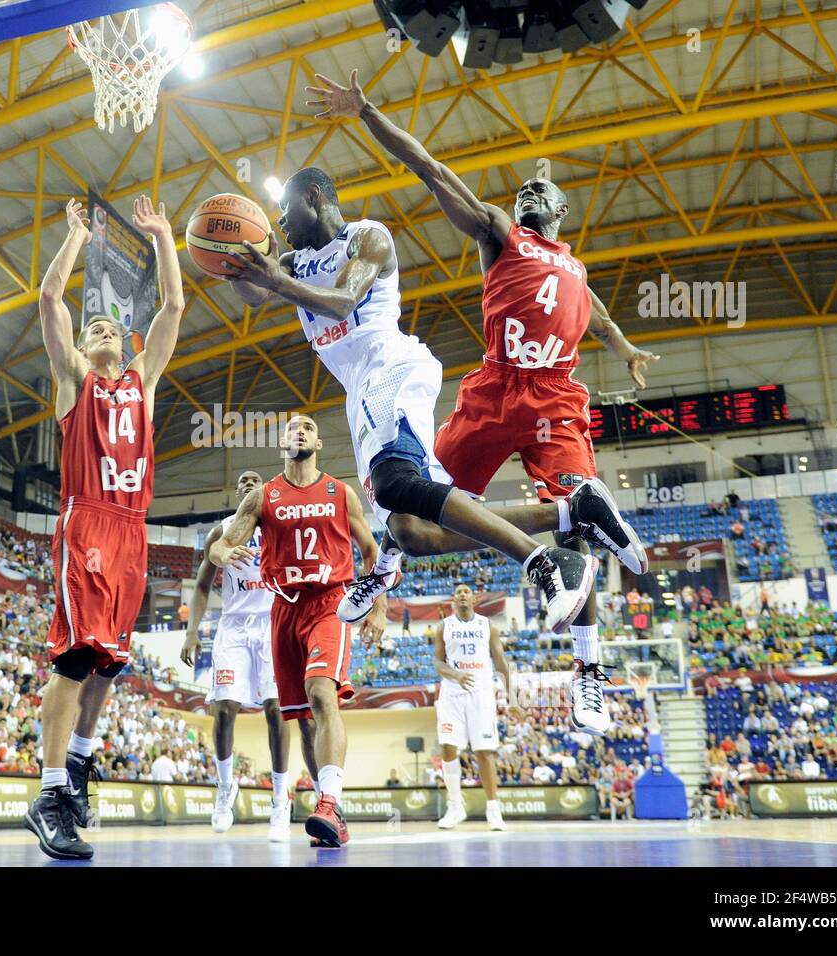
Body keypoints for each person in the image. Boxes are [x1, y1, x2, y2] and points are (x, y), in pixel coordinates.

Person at [221, 164, 644, 735]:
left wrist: (620, 343)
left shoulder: (367, 237)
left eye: (283, 210)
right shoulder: (294, 262)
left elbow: (343, 301)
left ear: (314, 197)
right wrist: (232, 258)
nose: (278, 222)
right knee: (415, 530)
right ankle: (404, 561)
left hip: (398, 371)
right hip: (427, 391)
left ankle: (556, 582)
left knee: (397, 485)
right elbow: (253, 291)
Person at [307, 71, 656, 737]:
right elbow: (431, 169)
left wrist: (626, 345)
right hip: (500, 390)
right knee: (410, 515)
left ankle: (588, 669)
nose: (525, 193)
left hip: (551, 396)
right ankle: (392, 560)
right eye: (522, 188)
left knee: (578, 540)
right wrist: (369, 111)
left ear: (556, 215)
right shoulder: (504, 234)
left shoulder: (566, 265)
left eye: (538, 191)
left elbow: (601, 311)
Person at [22, 196, 185, 862]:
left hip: (133, 529)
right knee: (73, 658)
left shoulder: (142, 383)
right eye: (92, 331)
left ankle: (81, 760)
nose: (101, 331)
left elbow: (172, 308)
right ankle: (50, 792)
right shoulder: (74, 383)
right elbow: (50, 297)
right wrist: (75, 238)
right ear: (85, 349)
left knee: (109, 665)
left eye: (109, 327)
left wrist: (166, 238)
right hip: (87, 520)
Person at [210, 415, 387, 848]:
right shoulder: (263, 496)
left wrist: (378, 607)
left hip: (329, 603)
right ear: (282, 443)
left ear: (319, 442)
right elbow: (223, 543)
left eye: (308, 426)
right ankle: (331, 809)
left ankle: (328, 801)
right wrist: (219, 554)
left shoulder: (339, 492)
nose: (300, 431)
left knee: (322, 694)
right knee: (304, 720)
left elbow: (372, 553)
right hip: (283, 609)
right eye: (292, 429)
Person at [180, 470, 291, 842]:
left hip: (272, 623)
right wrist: (192, 631)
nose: (247, 483)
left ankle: (279, 797)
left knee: (276, 710)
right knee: (224, 709)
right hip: (234, 626)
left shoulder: (280, 523)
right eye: (241, 481)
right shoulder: (223, 530)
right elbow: (199, 586)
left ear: (263, 489)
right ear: (237, 492)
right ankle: (225, 789)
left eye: (254, 479)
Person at [433, 584, 513, 831]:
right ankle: (456, 806)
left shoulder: (488, 625)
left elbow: (500, 661)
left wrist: (513, 697)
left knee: (484, 752)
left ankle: (493, 810)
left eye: (467, 591)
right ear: (453, 600)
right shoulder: (444, 626)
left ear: (475, 599)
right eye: (458, 592)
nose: (462, 594)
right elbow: (437, 662)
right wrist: (455, 674)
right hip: (452, 693)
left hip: (480, 693)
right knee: (448, 746)